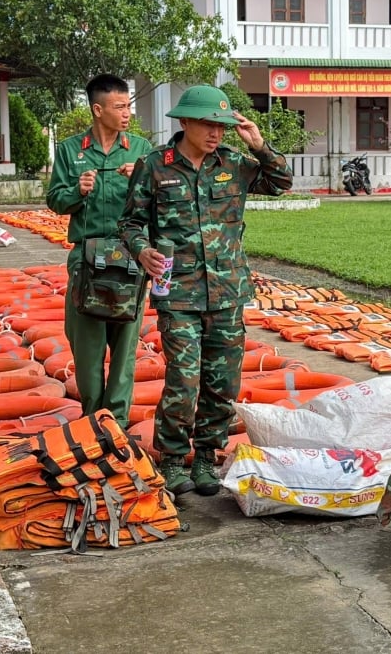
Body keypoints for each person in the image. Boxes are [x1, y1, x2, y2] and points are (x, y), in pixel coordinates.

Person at [118, 85, 294, 497]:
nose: (216, 133)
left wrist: (260, 144)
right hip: (178, 292)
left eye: (222, 125)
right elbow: (129, 223)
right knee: (184, 379)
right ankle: (175, 459)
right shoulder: (155, 166)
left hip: (228, 291)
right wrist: (142, 251)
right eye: (208, 124)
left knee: (223, 383)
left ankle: (205, 458)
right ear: (185, 122)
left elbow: (281, 181)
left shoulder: (234, 163)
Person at [46, 73, 151, 428]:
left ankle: (116, 425)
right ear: (97, 109)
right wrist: (78, 190)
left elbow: (160, 200)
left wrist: (140, 177)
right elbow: (55, 201)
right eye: (119, 106)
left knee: (124, 349)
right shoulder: (69, 150)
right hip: (86, 260)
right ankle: (92, 421)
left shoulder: (140, 151)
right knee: (87, 347)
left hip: (130, 258)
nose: (127, 114)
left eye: (128, 106)